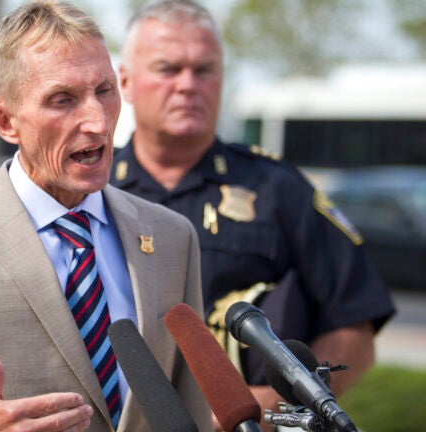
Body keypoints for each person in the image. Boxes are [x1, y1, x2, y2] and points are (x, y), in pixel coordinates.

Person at [0, 1, 213, 431]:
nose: (97, 122)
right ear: (5, 122)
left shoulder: (172, 237)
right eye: (62, 100)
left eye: (104, 90)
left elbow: (191, 412)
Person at [111, 0, 396, 427]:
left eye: (204, 70)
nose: (188, 85)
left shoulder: (278, 188)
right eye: (168, 69)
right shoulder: (93, 191)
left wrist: (278, 403)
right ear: (126, 82)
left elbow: (355, 327)